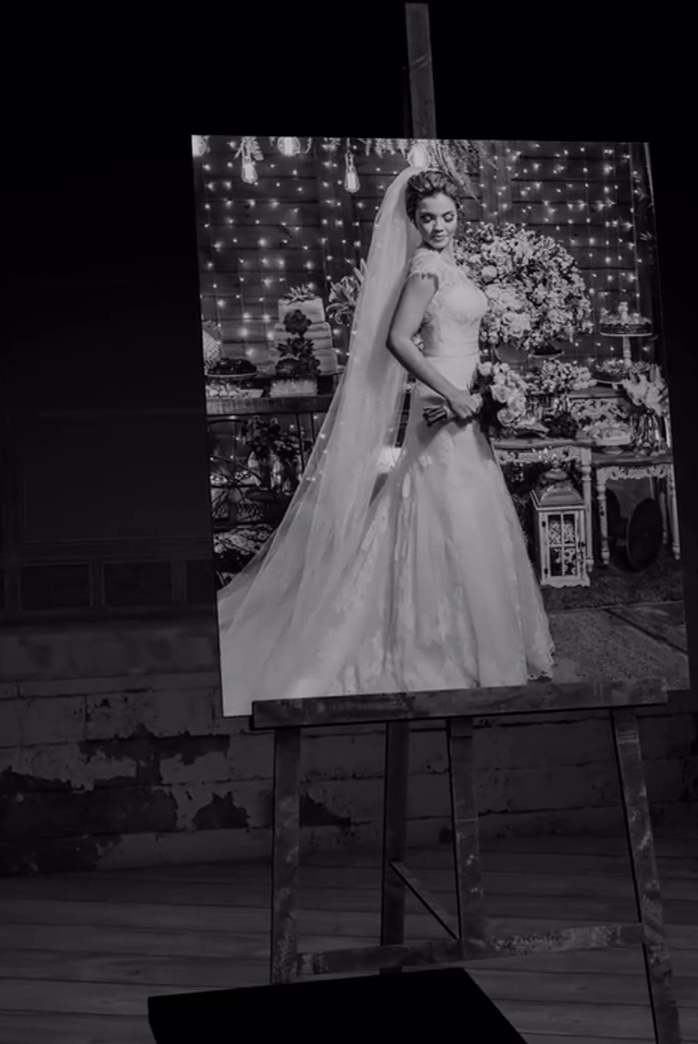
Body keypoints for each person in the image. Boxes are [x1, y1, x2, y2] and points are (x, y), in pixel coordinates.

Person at [217, 165, 554, 717]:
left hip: (465, 396)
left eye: (448, 216)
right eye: (428, 218)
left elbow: (461, 335)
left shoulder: (450, 266)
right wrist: (454, 392)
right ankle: (430, 643)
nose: (439, 226)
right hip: (442, 400)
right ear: (413, 221)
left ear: (458, 216)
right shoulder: (424, 269)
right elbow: (398, 339)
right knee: (444, 506)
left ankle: (475, 639)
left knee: (469, 508)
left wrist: (489, 384)